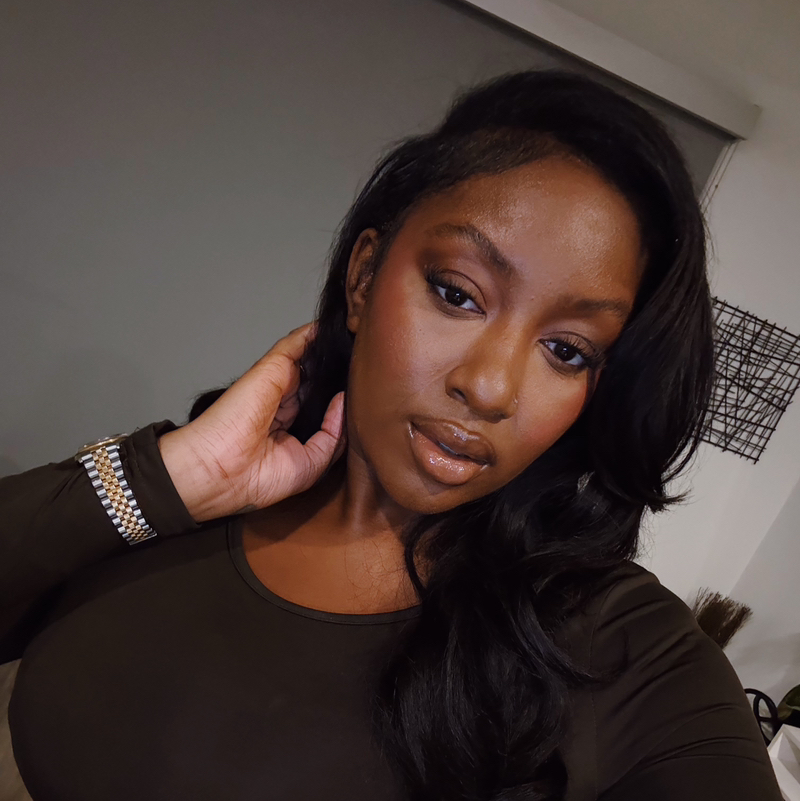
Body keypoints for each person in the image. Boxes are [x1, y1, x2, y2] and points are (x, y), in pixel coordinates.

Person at [0, 70, 781, 801]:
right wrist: (165, 479)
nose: (490, 386)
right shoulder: (185, 499)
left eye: (567, 350)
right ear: (365, 275)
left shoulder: (621, 645)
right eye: (458, 293)